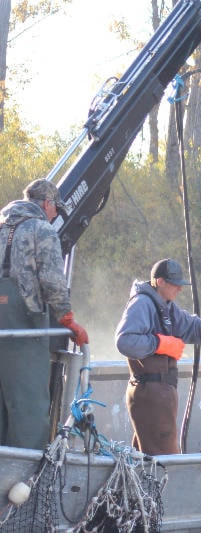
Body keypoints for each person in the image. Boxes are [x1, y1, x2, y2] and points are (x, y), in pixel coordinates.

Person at [115, 258, 201, 455]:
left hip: (160, 394)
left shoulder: (166, 306)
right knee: (165, 462)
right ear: (160, 282)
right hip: (149, 394)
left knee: (147, 459)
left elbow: (194, 329)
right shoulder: (142, 303)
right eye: (175, 284)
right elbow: (124, 341)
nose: (180, 289)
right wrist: (160, 344)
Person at [0, 178, 89, 449]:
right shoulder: (41, 229)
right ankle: (23, 481)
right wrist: (67, 319)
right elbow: (52, 281)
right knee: (28, 404)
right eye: (55, 210)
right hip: (24, 325)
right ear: (47, 204)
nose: (54, 216)